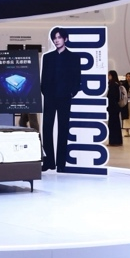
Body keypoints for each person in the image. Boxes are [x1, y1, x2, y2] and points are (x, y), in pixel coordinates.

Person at [41, 27, 82, 171]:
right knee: (47, 128)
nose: (56, 40)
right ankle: (49, 162)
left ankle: (61, 163)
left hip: (65, 97)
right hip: (50, 97)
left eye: (59, 37)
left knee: (63, 129)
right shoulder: (47, 57)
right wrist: (45, 92)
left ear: (65, 39)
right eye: (54, 38)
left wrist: (71, 93)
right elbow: (43, 78)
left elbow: (77, 79)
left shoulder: (74, 57)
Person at [107, 70, 124, 147]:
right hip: (116, 107)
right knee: (116, 124)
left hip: (112, 107)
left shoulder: (112, 85)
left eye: (109, 75)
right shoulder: (117, 84)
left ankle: (113, 141)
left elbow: (111, 97)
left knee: (112, 125)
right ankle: (118, 140)